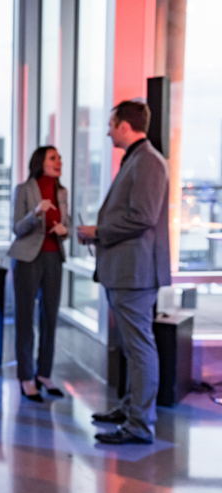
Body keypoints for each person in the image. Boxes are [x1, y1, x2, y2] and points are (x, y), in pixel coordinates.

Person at [77, 100, 170, 445]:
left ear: (125, 126)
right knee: (133, 349)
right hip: (128, 272)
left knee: (140, 348)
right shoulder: (138, 159)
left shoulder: (147, 162)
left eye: (111, 124)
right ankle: (131, 409)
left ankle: (139, 425)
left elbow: (142, 217)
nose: (107, 130)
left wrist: (97, 231)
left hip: (136, 273)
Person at [7, 146, 70, 402]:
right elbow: (17, 228)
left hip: (54, 257)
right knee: (25, 319)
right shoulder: (24, 189)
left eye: (59, 158)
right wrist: (36, 214)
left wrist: (64, 230)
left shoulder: (62, 192)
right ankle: (26, 377)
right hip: (27, 258)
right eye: (53, 158)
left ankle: (44, 374)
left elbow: (68, 228)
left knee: (50, 318)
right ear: (40, 163)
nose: (59, 162)